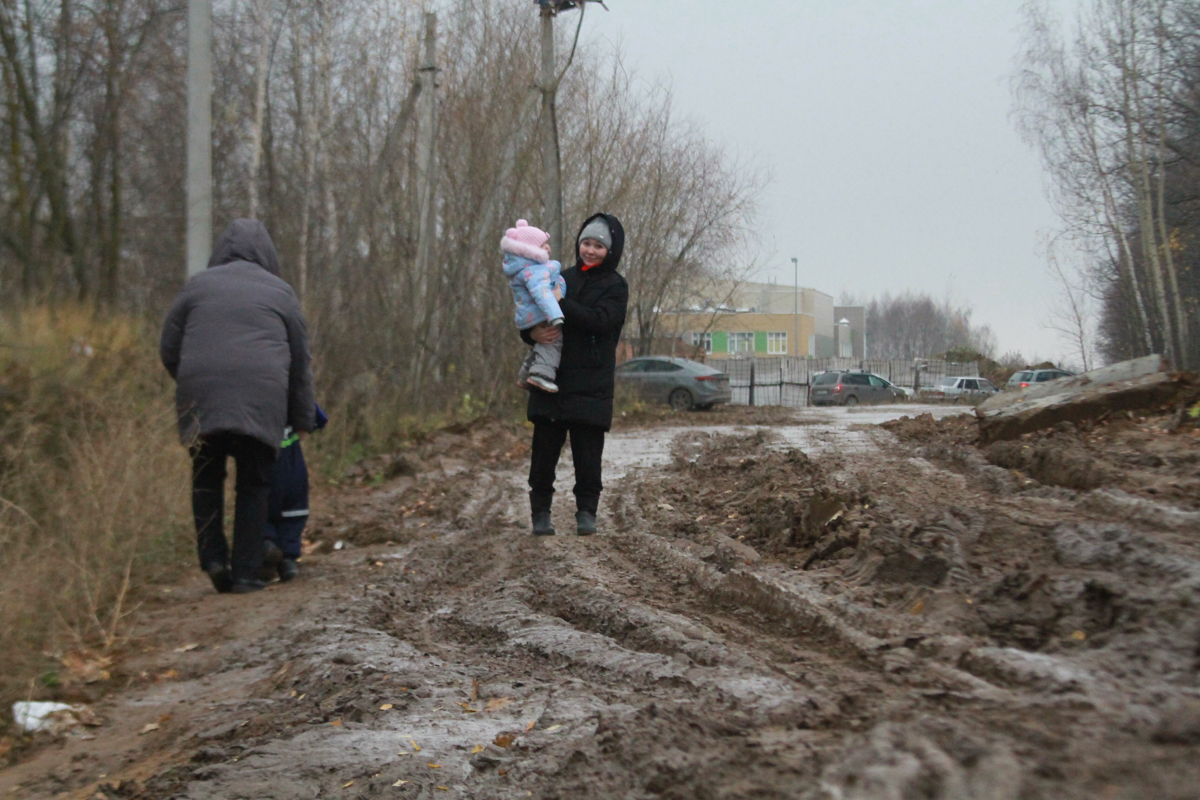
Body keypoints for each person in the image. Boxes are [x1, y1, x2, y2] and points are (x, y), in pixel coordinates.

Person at [160, 219, 316, 594]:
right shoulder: (281, 292)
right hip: (261, 400)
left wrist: (193, 381)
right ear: (267, 255)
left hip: (202, 397)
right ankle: (245, 574)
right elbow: (300, 364)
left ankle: (214, 559)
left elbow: (168, 346)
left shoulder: (197, 286)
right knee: (253, 484)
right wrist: (303, 418)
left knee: (206, 477)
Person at [522, 213, 628, 536]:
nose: (591, 250)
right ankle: (540, 513)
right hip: (551, 380)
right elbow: (532, 314)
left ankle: (587, 512)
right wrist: (532, 335)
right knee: (543, 456)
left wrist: (562, 304)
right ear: (578, 244)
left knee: (588, 456)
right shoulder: (559, 276)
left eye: (598, 245)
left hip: (591, 385)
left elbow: (601, 322)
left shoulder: (616, 287)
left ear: (610, 251)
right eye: (586, 243)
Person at [261, 403, 328, 583]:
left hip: (260, 459)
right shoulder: (288, 381)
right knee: (293, 512)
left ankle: (268, 544)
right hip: (291, 463)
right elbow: (315, 417)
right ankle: (288, 559)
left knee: (258, 506)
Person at [502, 219, 566, 393]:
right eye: (542, 245)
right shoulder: (534, 271)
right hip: (541, 313)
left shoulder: (524, 269)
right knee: (553, 341)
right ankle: (542, 375)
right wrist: (555, 314)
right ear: (529, 252)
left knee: (541, 344)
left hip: (529, 315)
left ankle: (525, 375)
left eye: (547, 243)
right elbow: (542, 293)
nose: (548, 248)